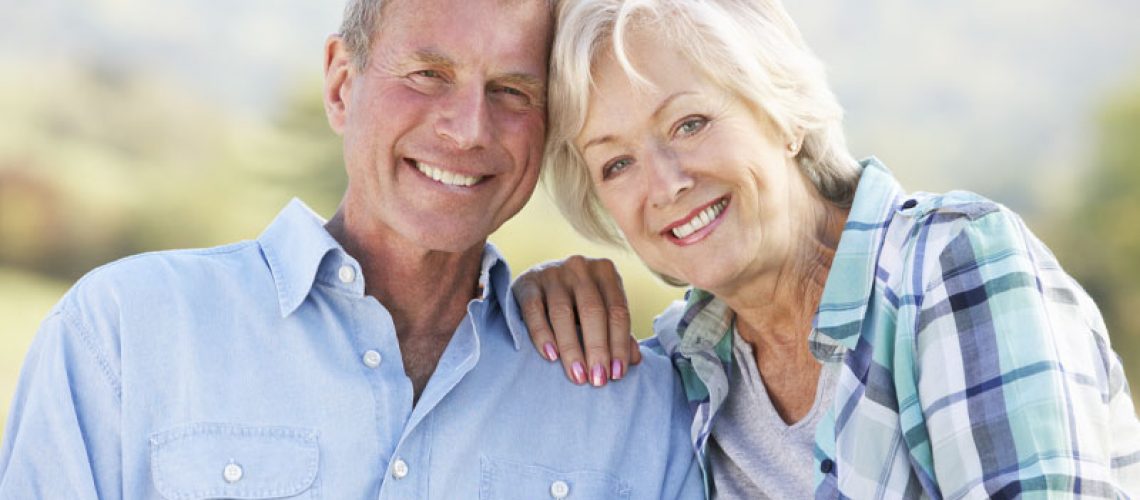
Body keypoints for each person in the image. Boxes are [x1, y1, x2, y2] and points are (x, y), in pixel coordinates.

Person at [0, 0, 702, 497]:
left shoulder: (635, 405)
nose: (467, 129)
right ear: (341, 85)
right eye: (428, 74)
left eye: (513, 91)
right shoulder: (124, 331)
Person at [512, 0, 1140, 497]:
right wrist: (544, 305)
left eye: (690, 124)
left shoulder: (952, 266)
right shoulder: (687, 365)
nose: (665, 183)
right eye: (617, 163)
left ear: (781, 113)